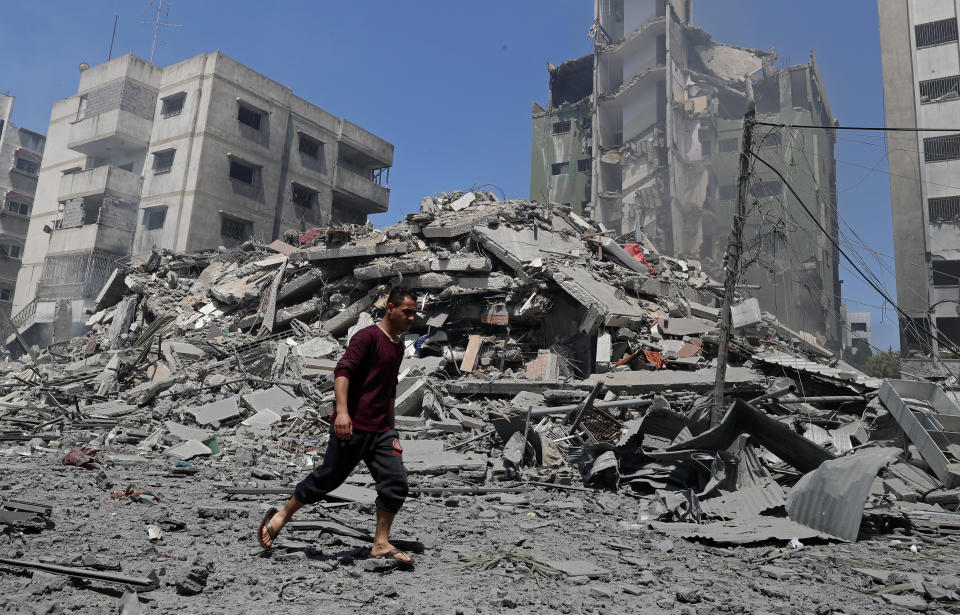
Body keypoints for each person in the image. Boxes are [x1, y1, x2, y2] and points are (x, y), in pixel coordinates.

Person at [258, 287, 418, 564]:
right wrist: (342, 413)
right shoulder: (367, 337)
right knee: (328, 479)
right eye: (407, 312)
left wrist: (392, 430)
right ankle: (282, 515)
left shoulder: (397, 345)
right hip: (353, 426)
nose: (411, 318)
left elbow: (390, 388)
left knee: (395, 483)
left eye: (414, 314)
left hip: (381, 430)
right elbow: (343, 371)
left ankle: (380, 543)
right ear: (390, 308)